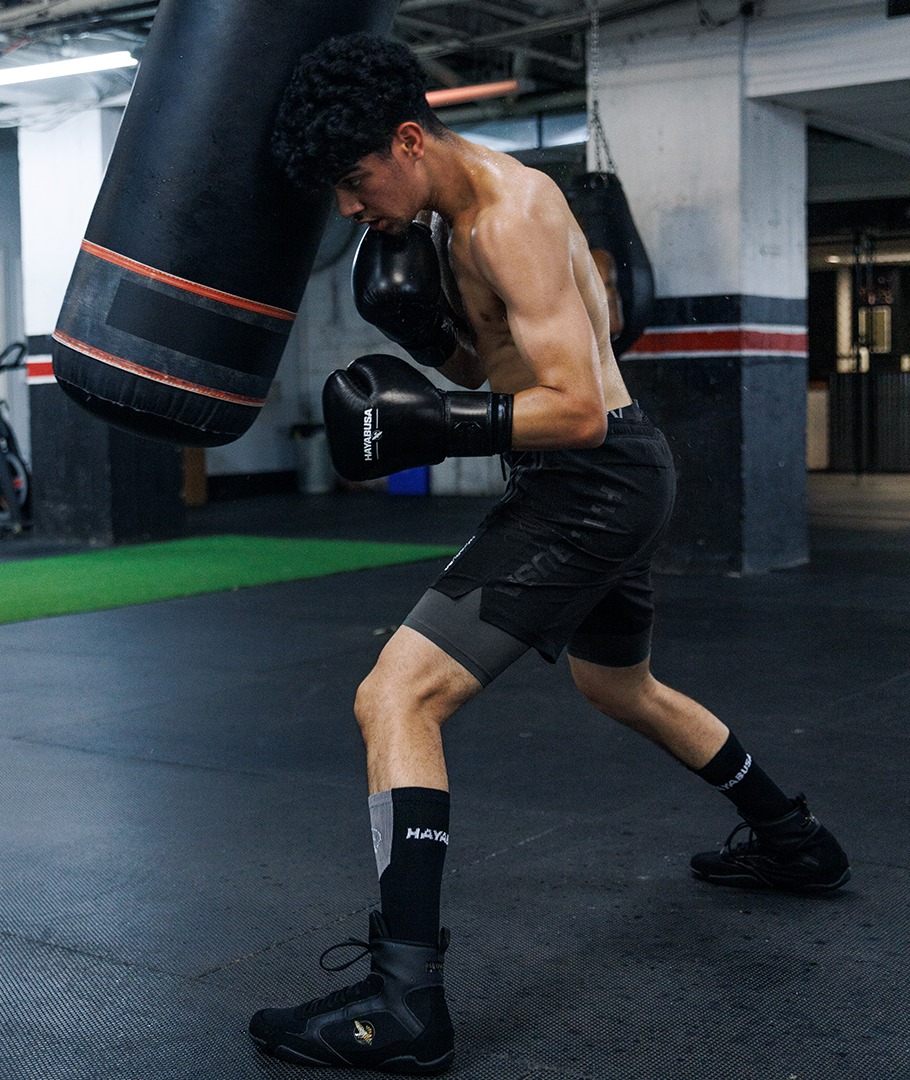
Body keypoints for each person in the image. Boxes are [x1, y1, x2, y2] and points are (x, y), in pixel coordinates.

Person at [251, 33, 850, 1075]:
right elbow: (556, 338)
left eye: (355, 181)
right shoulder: (448, 219)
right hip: (618, 471)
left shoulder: (510, 213)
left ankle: (404, 998)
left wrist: (437, 421)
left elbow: (571, 408)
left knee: (396, 698)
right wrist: (429, 340)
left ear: (407, 139)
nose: (351, 209)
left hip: (591, 477)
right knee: (620, 686)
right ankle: (791, 835)